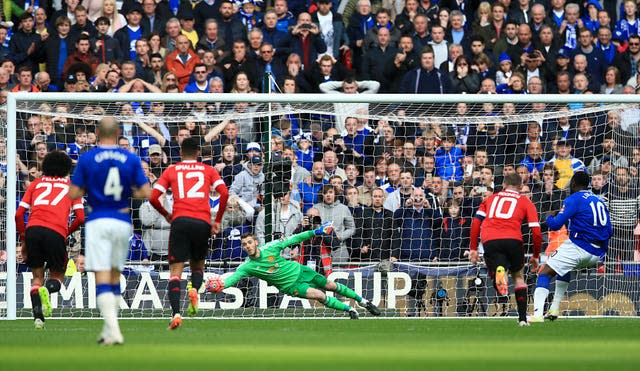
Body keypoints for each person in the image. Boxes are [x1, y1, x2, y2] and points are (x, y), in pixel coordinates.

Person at [69, 117, 151, 345]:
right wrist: (129, 194)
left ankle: (114, 330)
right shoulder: (130, 158)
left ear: (97, 132)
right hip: (122, 220)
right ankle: (109, 330)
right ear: (117, 133)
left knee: (102, 276)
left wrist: (90, 186)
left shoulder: (87, 158)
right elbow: (147, 192)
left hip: (97, 219)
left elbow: (74, 194)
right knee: (115, 274)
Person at [207, 225, 381, 319]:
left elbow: (295, 238)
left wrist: (316, 231)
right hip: (291, 286)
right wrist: (221, 285)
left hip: (302, 271)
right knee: (319, 295)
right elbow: (233, 278)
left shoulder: (271, 247)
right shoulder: (246, 266)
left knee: (331, 285)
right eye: (244, 245)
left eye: (250, 243)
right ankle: (350, 311)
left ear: (256, 242)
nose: (247, 246)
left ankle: (364, 302)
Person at [149, 137, 229, 330]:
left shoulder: (171, 170)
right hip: (202, 222)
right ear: (198, 153)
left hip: (180, 222)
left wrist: (167, 215)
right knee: (197, 266)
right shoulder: (208, 170)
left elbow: (153, 197)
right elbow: (224, 193)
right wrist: (216, 221)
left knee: (175, 272)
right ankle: (194, 289)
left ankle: (176, 313)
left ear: (180, 152)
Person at [15, 151, 85, 329]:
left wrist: (24, 238)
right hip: (55, 232)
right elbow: (80, 218)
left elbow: (19, 214)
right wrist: (66, 232)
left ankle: (38, 318)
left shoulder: (36, 184)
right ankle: (49, 289)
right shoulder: (72, 186)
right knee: (57, 275)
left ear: (45, 166)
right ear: (67, 168)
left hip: (33, 230)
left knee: (37, 277)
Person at [530, 172, 612, 322]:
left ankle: (537, 315)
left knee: (544, 272)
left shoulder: (573, 199)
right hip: (598, 253)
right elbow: (609, 230)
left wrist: (547, 216)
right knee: (563, 268)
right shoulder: (599, 200)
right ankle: (554, 309)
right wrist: (602, 251)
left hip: (579, 246)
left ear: (573, 183)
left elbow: (555, 225)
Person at [469, 173, 542, 326]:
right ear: (521, 187)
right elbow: (536, 231)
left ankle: (498, 274)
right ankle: (522, 319)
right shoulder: (525, 201)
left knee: (497, 270)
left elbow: (476, 222)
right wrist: (535, 255)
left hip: (490, 239)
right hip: (514, 240)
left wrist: (473, 248)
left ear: (503, 185)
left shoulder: (490, 198)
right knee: (518, 277)